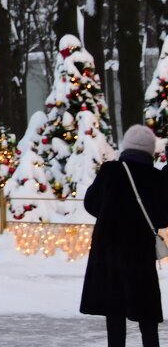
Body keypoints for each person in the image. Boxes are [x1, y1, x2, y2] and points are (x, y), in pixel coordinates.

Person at [81, 124, 168, 347]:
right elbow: (163, 218)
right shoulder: (156, 179)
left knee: (115, 315)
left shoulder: (110, 172)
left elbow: (90, 204)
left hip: (108, 255)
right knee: (147, 317)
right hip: (140, 257)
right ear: (150, 150)